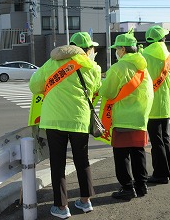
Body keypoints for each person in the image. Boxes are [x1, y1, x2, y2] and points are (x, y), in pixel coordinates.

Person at [29, 32, 101, 219]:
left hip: (54, 120)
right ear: (87, 49)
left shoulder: (51, 64)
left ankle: (61, 207)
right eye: (91, 48)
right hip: (79, 119)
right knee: (82, 160)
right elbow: (94, 89)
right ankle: (85, 202)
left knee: (58, 163)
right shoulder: (92, 66)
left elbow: (34, 86)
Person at [99, 31, 154, 201]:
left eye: (117, 48)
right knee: (138, 152)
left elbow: (107, 91)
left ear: (122, 49)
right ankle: (141, 185)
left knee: (121, 155)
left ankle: (127, 188)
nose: (116, 51)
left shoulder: (119, 68)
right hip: (140, 118)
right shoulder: (143, 68)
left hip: (123, 118)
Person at [142, 25, 170, 184]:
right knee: (165, 137)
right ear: (162, 39)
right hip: (166, 102)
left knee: (156, 140)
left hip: (152, 104)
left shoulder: (144, 56)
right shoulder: (169, 55)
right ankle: (168, 169)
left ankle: (161, 174)